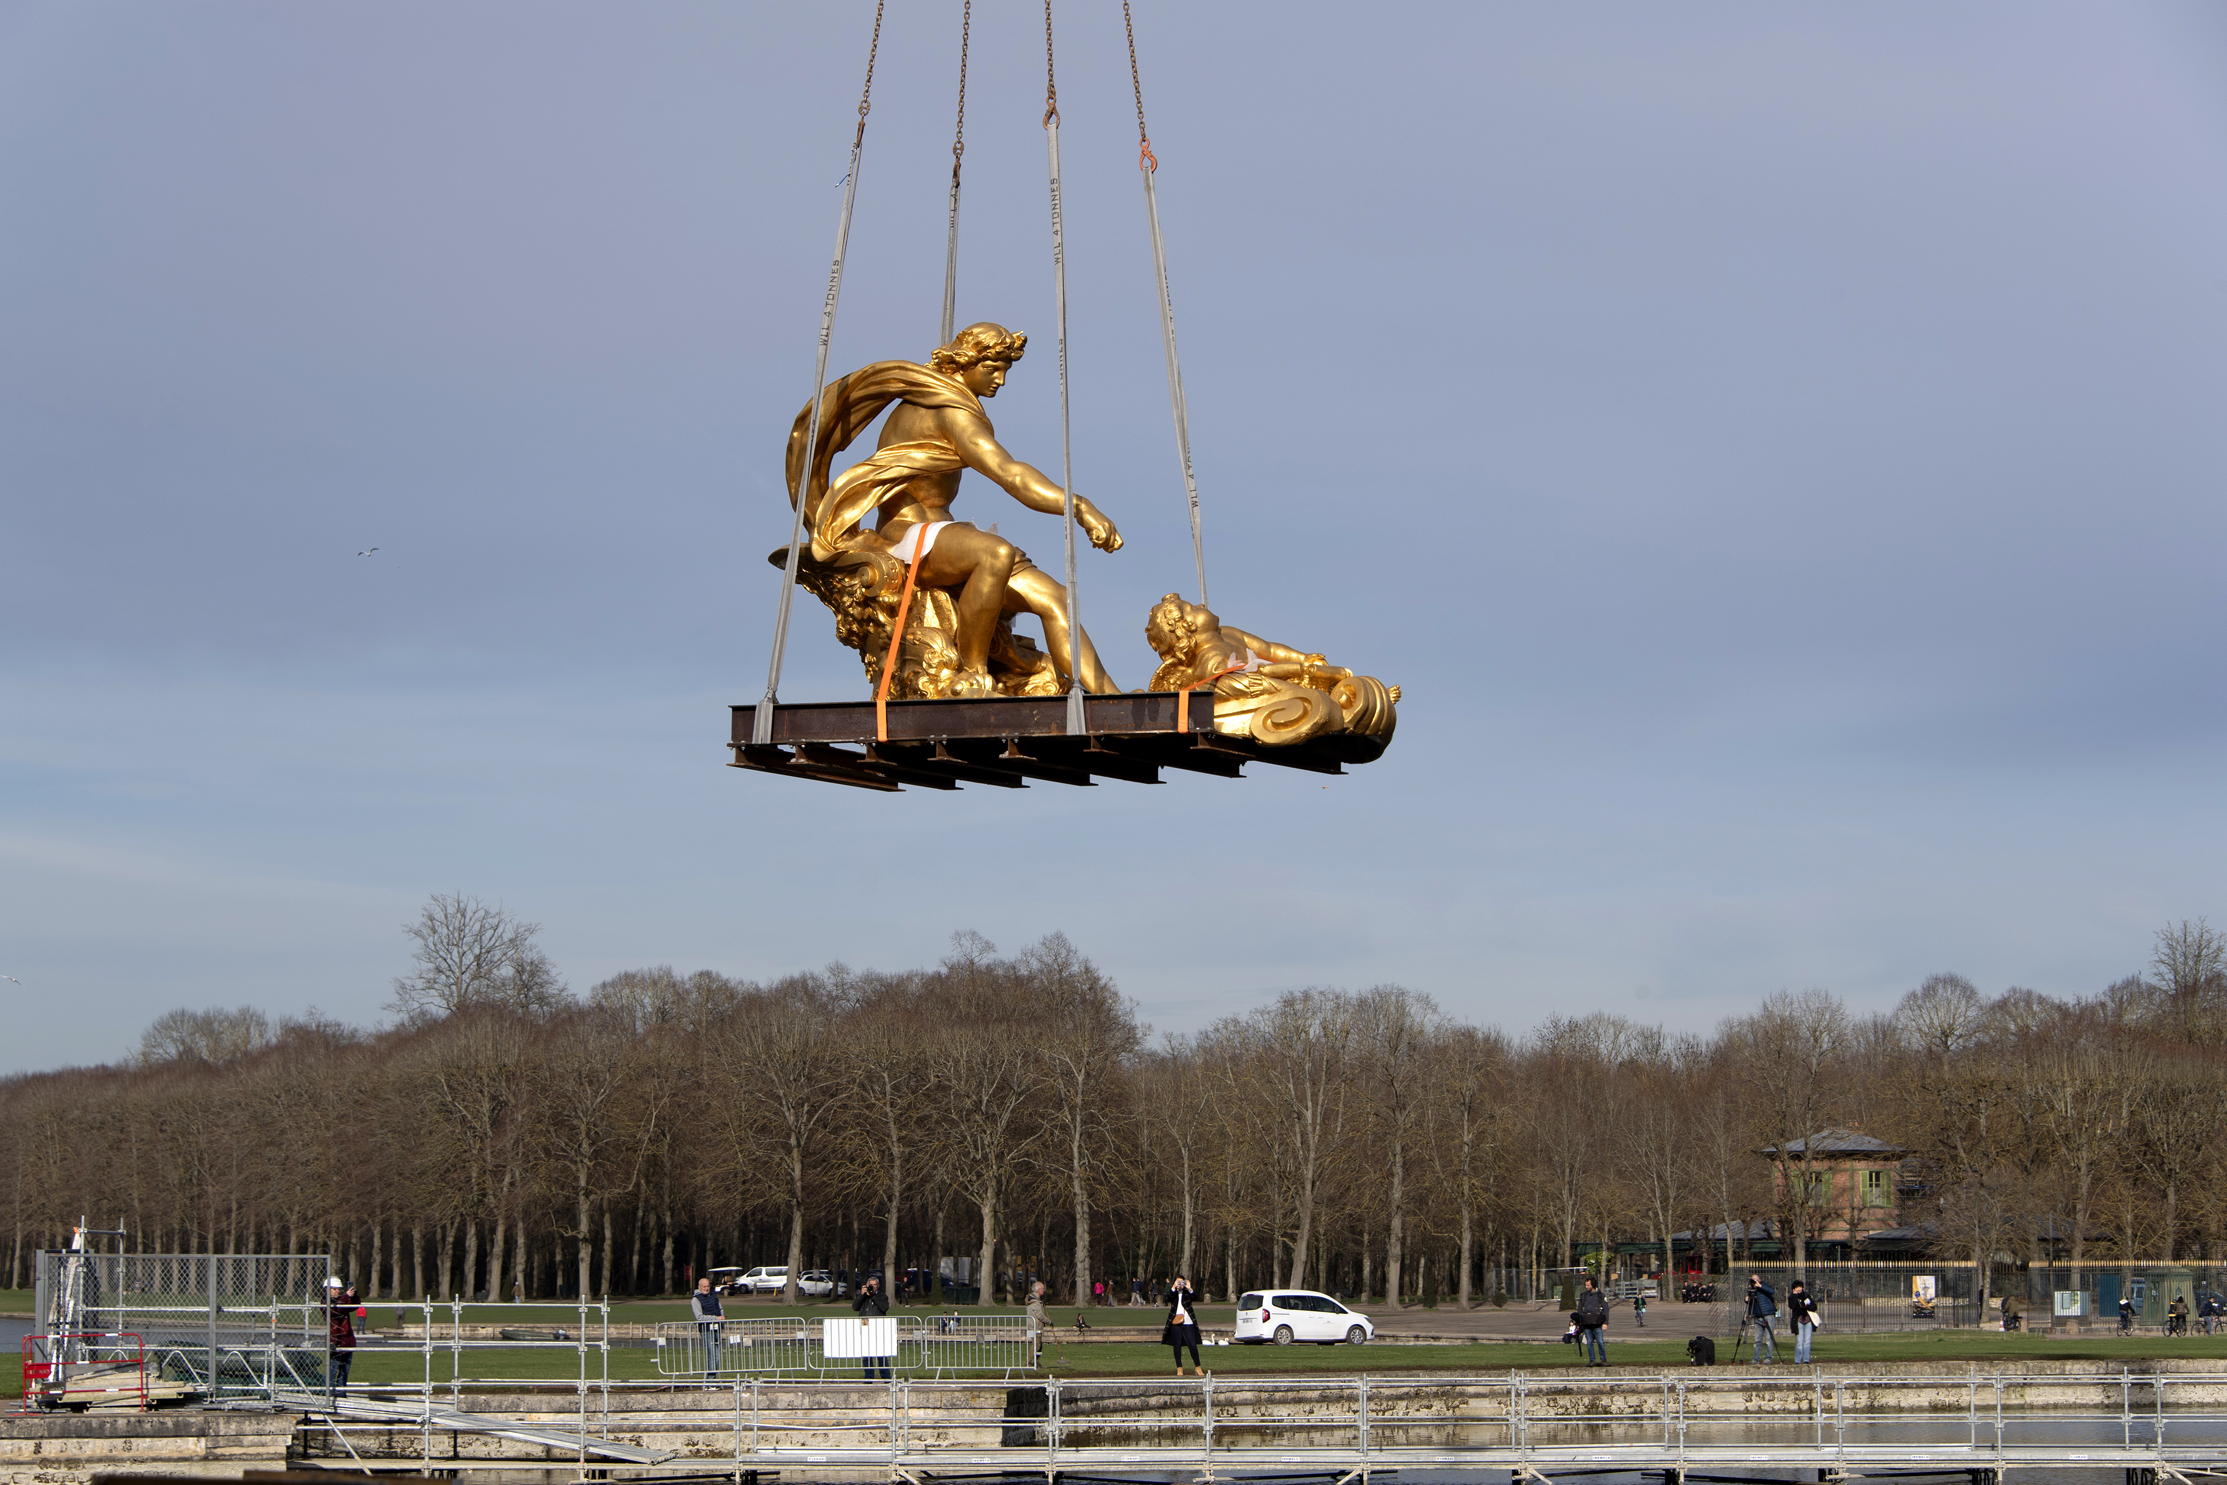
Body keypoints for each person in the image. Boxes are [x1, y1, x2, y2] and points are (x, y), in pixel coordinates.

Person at [785, 322, 1125, 696]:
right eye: (992, 369)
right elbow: (1010, 474)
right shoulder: (950, 411)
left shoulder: (937, 400)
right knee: (995, 553)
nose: (1001, 381)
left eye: (1005, 370)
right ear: (964, 363)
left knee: (1055, 596)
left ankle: (1109, 697)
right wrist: (1077, 506)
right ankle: (973, 674)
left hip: (944, 536)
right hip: (907, 535)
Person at [324, 1276, 360, 1393]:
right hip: (335, 1340)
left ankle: (341, 1393)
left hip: (347, 1340)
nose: (337, 1291)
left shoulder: (342, 1301)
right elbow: (335, 1311)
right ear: (327, 1289)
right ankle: (328, 1394)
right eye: (334, 1289)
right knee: (333, 1370)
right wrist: (345, 1297)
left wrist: (354, 1296)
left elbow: (353, 1306)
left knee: (345, 1370)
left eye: (339, 1289)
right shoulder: (325, 1302)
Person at [1162, 1276, 1204, 1377]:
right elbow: (1167, 1299)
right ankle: (1179, 1368)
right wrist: (1173, 1287)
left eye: (1182, 1282)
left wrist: (1189, 1288)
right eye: (1178, 1282)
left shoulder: (1186, 1293)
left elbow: (1195, 1297)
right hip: (1176, 1322)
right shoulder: (1174, 1293)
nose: (1180, 1284)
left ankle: (1198, 1368)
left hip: (1187, 1321)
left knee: (1192, 1345)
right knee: (1177, 1346)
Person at [852, 1276, 892, 1381]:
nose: (872, 1287)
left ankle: (886, 1376)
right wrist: (861, 1295)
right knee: (866, 1353)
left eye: (874, 1285)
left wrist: (873, 1296)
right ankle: (869, 1376)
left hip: (878, 1328)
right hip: (865, 1327)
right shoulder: (863, 1297)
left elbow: (884, 1307)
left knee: (881, 1353)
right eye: (870, 1285)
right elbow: (855, 1307)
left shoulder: (882, 1296)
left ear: (878, 1286)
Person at [691, 1277, 725, 1378]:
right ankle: (710, 1382)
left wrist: (721, 1321)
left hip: (717, 1329)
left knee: (717, 1356)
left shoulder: (714, 1296)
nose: (706, 1288)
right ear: (699, 1287)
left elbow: (720, 1309)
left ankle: (711, 1381)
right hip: (706, 1330)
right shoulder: (695, 1300)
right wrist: (715, 1318)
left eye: (708, 1286)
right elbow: (699, 1317)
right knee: (713, 1355)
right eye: (704, 1286)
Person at [1575, 1277, 1610, 1367]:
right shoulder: (1583, 1296)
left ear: (1593, 1285)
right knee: (1589, 1342)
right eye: (1586, 1285)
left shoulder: (1600, 1295)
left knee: (1600, 1342)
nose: (1586, 1287)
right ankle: (1592, 1360)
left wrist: (1605, 1323)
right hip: (1586, 1324)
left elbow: (1606, 1309)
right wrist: (1578, 1323)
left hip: (1598, 1323)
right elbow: (1579, 1310)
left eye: (1588, 1285)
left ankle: (1603, 1359)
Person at [1745, 1275, 1778, 1364]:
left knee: (1768, 1339)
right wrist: (1747, 1299)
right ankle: (1756, 1358)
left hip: (1768, 1314)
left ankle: (1768, 1357)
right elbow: (1751, 1303)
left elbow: (1772, 1291)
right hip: (1757, 1315)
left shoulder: (1764, 1285)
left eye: (1756, 1280)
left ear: (1759, 1280)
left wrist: (1760, 1286)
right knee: (1757, 1340)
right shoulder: (1751, 1290)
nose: (1754, 1282)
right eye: (1753, 1280)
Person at [1787, 1280, 1818, 1364]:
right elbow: (1792, 1306)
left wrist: (1807, 1307)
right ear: (1794, 1289)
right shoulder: (1792, 1297)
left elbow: (1814, 1307)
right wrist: (1794, 1295)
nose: (1799, 1289)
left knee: (1807, 1341)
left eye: (1800, 1287)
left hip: (1808, 1320)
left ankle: (1806, 1359)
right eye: (1797, 1287)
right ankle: (1797, 1360)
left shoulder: (1806, 1296)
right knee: (1799, 1342)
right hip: (1798, 1320)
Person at [1025, 1280, 1050, 1367]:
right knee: (1036, 1345)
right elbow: (1040, 1315)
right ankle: (1028, 1362)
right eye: (1043, 1289)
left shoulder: (1036, 1300)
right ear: (1038, 1290)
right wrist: (1049, 1322)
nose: (1044, 1290)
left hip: (1033, 1326)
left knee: (1039, 1345)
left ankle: (1037, 1362)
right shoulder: (1035, 1302)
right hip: (1035, 1326)